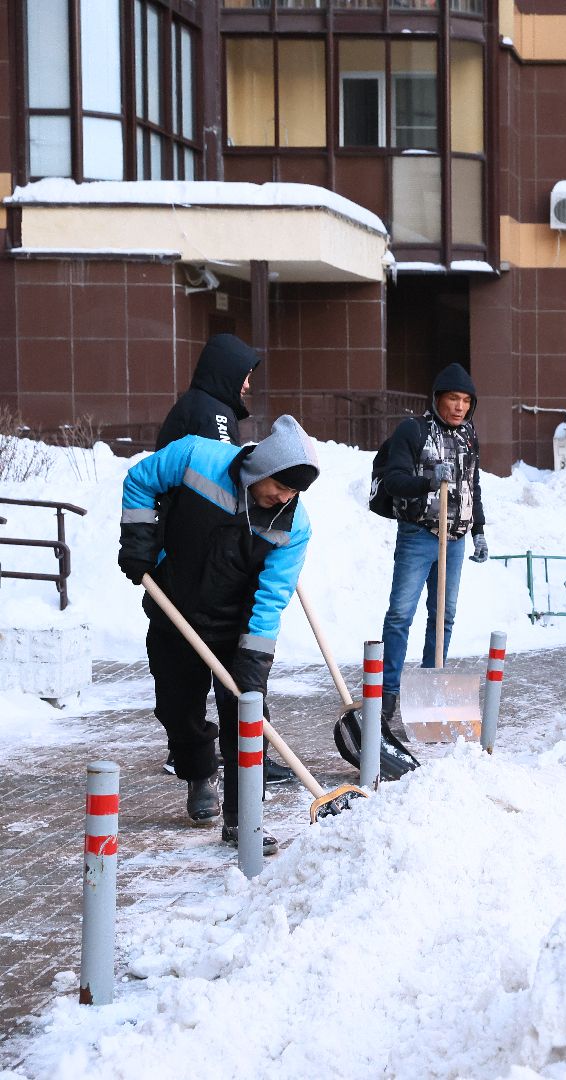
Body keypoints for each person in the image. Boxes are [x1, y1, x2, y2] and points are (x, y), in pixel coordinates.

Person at [118, 415, 321, 855]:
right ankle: (197, 773)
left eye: (294, 492)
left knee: (246, 718)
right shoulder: (196, 456)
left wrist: (254, 659)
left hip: (236, 628)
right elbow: (140, 480)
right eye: (281, 486)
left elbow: (272, 597)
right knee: (177, 708)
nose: (284, 498)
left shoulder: (293, 525)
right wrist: (138, 538)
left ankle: (243, 819)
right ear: (262, 469)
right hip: (175, 607)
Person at [154, 333, 295, 786]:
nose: (249, 386)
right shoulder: (210, 415)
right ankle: (209, 767)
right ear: (227, 373)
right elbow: (220, 479)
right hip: (196, 562)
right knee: (205, 680)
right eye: (247, 376)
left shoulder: (206, 408)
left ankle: (244, 768)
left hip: (214, 558)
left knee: (238, 675)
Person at [375, 363, 487, 733]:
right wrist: (428, 480)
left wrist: (480, 531)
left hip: (454, 538)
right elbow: (393, 481)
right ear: (438, 398)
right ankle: (388, 693)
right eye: (453, 399)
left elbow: (474, 486)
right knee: (400, 615)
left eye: (466, 401)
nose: (460, 407)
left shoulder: (469, 435)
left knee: (444, 615)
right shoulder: (414, 430)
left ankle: (429, 683)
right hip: (419, 533)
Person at [156, 333, 261, 450]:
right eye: (243, 376)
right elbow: (225, 465)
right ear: (228, 373)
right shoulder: (214, 413)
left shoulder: (198, 404)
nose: (247, 385)